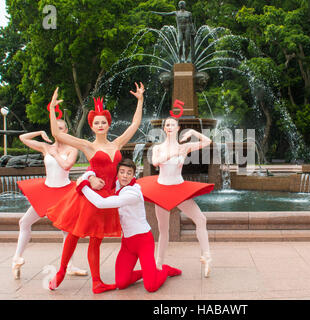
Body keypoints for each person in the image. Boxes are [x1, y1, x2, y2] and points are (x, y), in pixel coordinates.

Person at [46, 82, 145, 294]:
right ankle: (61, 271)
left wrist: (140, 100)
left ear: (108, 124)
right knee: (74, 233)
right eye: (97, 123)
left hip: (107, 196)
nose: (100, 125)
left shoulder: (116, 143)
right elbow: (57, 134)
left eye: (103, 122)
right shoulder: (88, 145)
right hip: (89, 196)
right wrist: (52, 110)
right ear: (92, 126)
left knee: (95, 240)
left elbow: (135, 125)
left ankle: (97, 283)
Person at [77, 158, 182, 292]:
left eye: (129, 173)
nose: (125, 176)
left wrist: (83, 187)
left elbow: (101, 203)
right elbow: (91, 171)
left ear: (133, 175)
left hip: (143, 241)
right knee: (121, 283)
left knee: (151, 287)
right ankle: (148, 272)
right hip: (127, 243)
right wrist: (89, 177)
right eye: (122, 172)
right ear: (118, 174)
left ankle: (164, 270)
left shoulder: (133, 192)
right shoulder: (118, 184)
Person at [137, 116, 214, 277]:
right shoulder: (158, 147)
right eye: (167, 124)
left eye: (173, 124)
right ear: (164, 128)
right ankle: (158, 263)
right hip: (162, 190)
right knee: (163, 229)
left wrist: (193, 131)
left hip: (179, 188)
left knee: (201, 219)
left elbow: (207, 142)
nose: (169, 126)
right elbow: (156, 162)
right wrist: (173, 153)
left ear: (178, 128)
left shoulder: (184, 147)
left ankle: (207, 257)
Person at [13, 120, 88, 279]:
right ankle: (16, 259)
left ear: (66, 130)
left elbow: (67, 166)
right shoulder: (45, 147)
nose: (58, 132)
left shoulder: (72, 149)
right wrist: (40, 133)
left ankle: (70, 266)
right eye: (55, 129)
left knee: (67, 231)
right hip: (46, 191)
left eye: (61, 129)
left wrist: (54, 154)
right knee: (24, 222)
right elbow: (23, 138)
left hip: (64, 192)